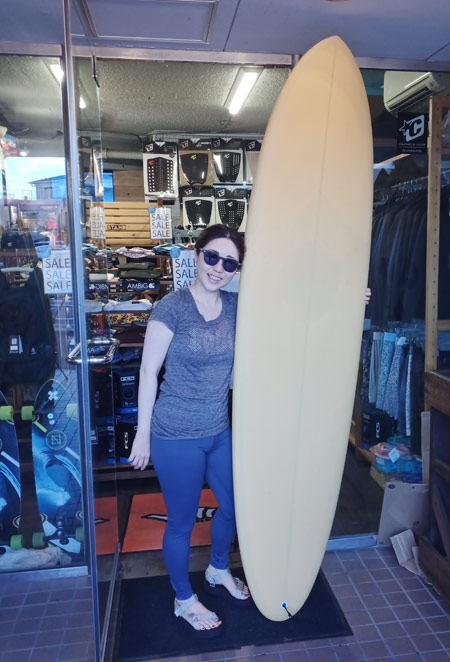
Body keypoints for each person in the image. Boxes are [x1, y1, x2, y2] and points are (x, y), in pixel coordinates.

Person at [129, 224, 250, 633]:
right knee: (181, 522)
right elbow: (148, 372)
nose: (218, 268)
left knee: (234, 507)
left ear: (237, 270)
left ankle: (217, 569)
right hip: (175, 434)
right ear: (197, 255)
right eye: (212, 257)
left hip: (218, 429)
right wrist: (142, 433)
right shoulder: (173, 307)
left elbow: (292, 311)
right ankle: (183, 599)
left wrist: (346, 299)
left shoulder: (237, 305)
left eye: (229, 263)